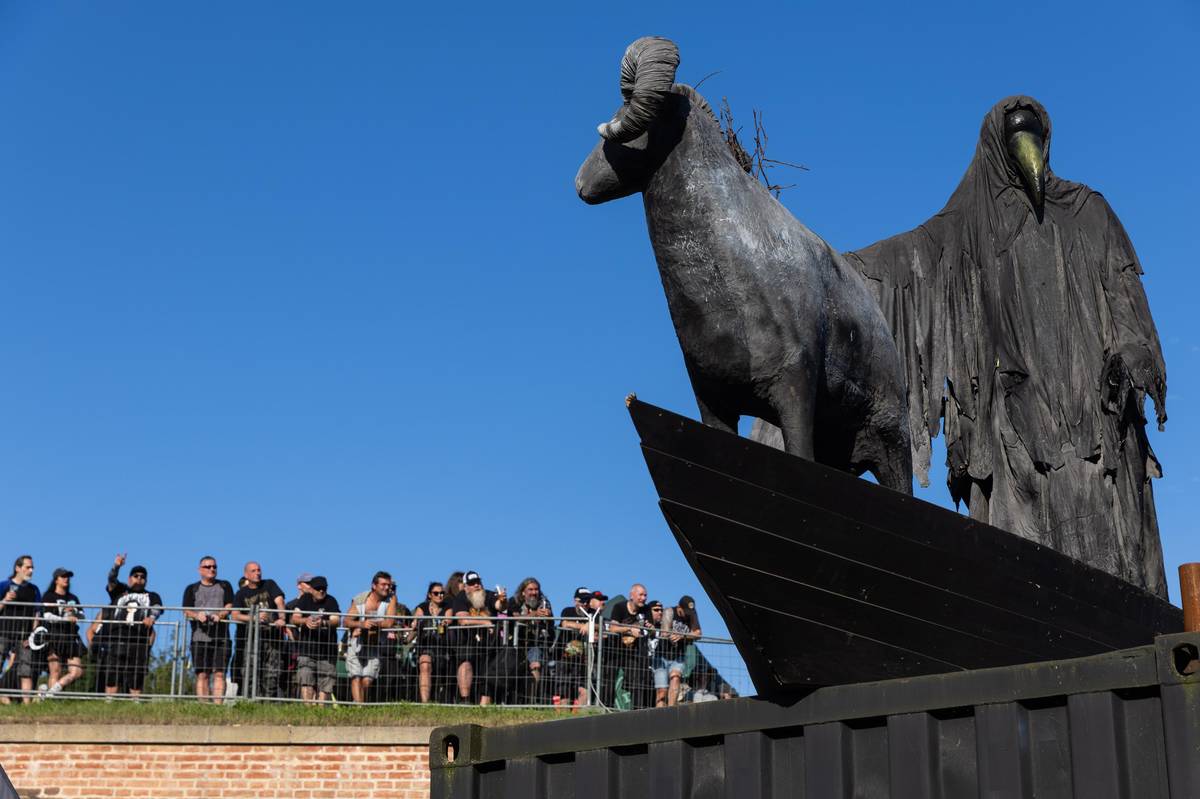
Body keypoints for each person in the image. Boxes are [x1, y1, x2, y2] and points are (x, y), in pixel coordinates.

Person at [102, 555, 163, 698]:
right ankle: (109, 702)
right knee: (112, 673)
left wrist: (152, 617)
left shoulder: (151, 595)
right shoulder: (120, 590)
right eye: (136, 576)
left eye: (142, 576)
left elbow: (157, 608)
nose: (139, 578)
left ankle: (135, 703)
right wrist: (116, 566)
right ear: (130, 578)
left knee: (136, 675)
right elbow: (111, 580)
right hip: (117, 637)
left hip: (138, 639)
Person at [450, 570, 511, 705]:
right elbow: (463, 620)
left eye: (478, 582)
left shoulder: (488, 595)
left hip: (490, 644)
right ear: (465, 587)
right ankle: (465, 701)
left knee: (492, 670)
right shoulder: (461, 598)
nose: (476, 585)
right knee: (465, 664)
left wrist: (503, 601)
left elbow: (499, 606)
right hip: (467, 643)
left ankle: (485, 706)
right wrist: (486, 622)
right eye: (472, 583)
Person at [181, 556, 235, 703]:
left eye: (214, 567)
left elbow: (230, 606)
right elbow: (186, 610)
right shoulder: (192, 588)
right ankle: (203, 707)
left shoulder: (225, 585)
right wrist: (197, 615)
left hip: (221, 637)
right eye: (208, 567)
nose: (212, 569)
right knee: (202, 674)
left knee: (220, 673)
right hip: (199, 637)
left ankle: (217, 707)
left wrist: (220, 615)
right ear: (200, 570)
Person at [231, 562, 286, 698]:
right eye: (254, 571)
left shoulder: (270, 584)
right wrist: (254, 617)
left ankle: (267, 705)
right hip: (251, 639)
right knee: (250, 672)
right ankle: (250, 704)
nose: (258, 573)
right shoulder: (241, 593)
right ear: (246, 575)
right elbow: (235, 615)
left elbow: (280, 602)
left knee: (272, 674)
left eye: (259, 570)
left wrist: (282, 618)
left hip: (273, 639)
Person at [343, 571, 398, 703]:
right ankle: (359, 709)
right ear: (374, 585)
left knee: (367, 680)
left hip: (376, 645)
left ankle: (357, 704)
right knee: (356, 677)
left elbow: (390, 622)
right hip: (357, 643)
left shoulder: (391, 599)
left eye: (388, 585)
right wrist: (362, 624)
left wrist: (373, 624)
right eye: (383, 584)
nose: (387, 587)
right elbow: (346, 621)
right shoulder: (360, 599)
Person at [289, 575, 340, 704]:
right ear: (311, 589)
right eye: (318, 588)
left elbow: (337, 620)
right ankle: (308, 712)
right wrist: (305, 620)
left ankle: (320, 713)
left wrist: (323, 623)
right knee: (306, 682)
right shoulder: (304, 600)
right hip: (306, 650)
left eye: (324, 588)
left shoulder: (331, 601)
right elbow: (294, 618)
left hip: (327, 652)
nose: (321, 591)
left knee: (325, 686)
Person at [39, 568, 87, 698]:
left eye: (68, 577)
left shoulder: (73, 598)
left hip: (71, 637)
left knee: (77, 671)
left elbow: (83, 615)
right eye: (63, 576)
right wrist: (64, 619)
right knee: (55, 671)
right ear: (56, 579)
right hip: (54, 635)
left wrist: (75, 613)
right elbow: (46, 615)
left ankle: (49, 694)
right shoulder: (49, 596)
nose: (66, 579)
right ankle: (50, 701)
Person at [0, 556, 41, 704]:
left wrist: (32, 635)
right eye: (27, 567)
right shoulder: (4, 585)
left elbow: (37, 613)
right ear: (17, 568)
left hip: (24, 637)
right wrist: (4, 600)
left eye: (32, 568)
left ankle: (27, 706)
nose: (31, 570)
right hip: (3, 633)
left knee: (26, 670)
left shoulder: (34, 589)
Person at [649, 597, 702, 707]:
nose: (687, 614)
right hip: (662, 656)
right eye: (684, 611)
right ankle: (659, 716)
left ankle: (671, 710)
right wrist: (672, 634)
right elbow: (664, 632)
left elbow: (698, 633)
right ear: (679, 607)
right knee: (662, 690)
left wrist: (683, 636)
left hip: (678, 656)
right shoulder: (669, 611)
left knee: (675, 677)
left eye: (689, 612)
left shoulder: (692, 614)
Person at [508, 577, 554, 702]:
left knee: (535, 665)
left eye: (536, 589)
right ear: (523, 592)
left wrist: (547, 616)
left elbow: (551, 625)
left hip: (536, 643)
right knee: (514, 671)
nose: (534, 592)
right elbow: (516, 619)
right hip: (516, 643)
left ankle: (531, 700)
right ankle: (514, 701)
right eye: (530, 589)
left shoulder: (545, 603)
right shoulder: (514, 601)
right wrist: (534, 614)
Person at [608, 584, 653, 709]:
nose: (643, 598)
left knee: (637, 681)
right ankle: (604, 708)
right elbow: (612, 627)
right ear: (631, 595)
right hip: (616, 649)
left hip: (635, 651)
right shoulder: (619, 607)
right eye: (641, 595)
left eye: (645, 595)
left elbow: (652, 630)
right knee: (608, 677)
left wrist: (651, 628)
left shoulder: (646, 609)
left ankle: (637, 712)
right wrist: (629, 628)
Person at [411, 581, 454, 703]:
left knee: (440, 676)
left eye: (442, 593)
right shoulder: (422, 607)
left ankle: (439, 701)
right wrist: (415, 623)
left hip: (442, 646)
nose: (439, 595)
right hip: (426, 645)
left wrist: (445, 622)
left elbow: (449, 619)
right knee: (425, 664)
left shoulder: (447, 606)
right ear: (430, 595)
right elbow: (416, 619)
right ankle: (425, 703)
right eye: (436, 593)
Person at [553, 587, 596, 707]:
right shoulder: (567, 611)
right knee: (564, 691)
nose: (586, 604)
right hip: (564, 657)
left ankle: (579, 719)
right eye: (582, 601)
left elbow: (602, 624)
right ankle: (562, 718)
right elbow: (565, 623)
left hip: (583, 661)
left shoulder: (593, 613)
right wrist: (584, 625)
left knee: (583, 690)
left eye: (588, 601)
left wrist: (590, 624)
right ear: (575, 601)